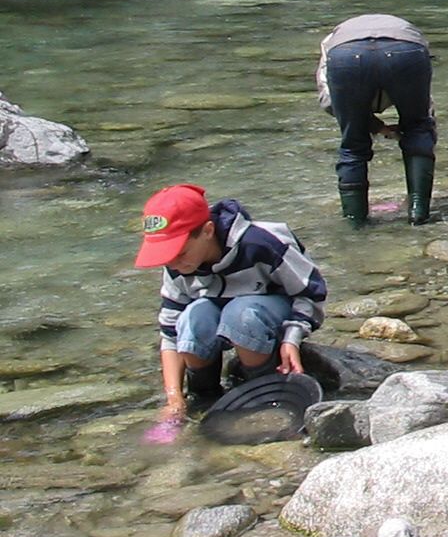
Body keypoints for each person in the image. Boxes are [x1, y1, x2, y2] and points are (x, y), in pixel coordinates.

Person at [135, 183, 326, 429]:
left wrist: (292, 337)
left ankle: (266, 393)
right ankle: (205, 399)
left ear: (207, 230)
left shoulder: (261, 243)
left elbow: (311, 293)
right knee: (194, 317)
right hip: (221, 312)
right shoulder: (177, 264)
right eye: (165, 255)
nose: (172, 263)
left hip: (268, 314)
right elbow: (170, 332)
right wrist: (174, 399)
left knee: (241, 316)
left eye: (179, 252)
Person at [317, 14, 435, 226]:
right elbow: (425, 105)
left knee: (353, 146)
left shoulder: (330, 45)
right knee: (418, 128)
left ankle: (355, 223)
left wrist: (369, 126)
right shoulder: (412, 36)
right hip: (406, 49)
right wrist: (386, 126)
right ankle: (419, 213)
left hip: (346, 56)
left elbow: (329, 101)